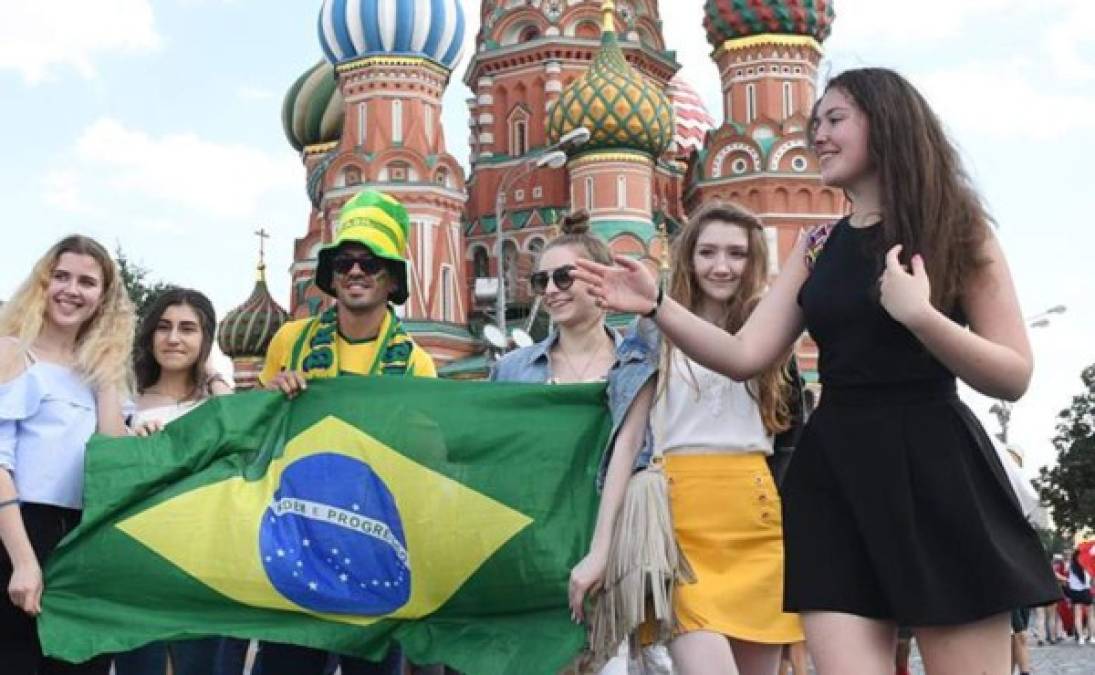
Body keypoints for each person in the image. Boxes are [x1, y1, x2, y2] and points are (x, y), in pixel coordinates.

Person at [573, 67, 1060, 674]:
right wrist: (656, 305)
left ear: (887, 125)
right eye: (814, 124)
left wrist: (923, 319)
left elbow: (1012, 374)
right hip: (836, 477)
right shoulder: (817, 245)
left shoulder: (958, 229)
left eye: (834, 120)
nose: (817, 137)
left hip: (936, 469)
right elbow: (745, 355)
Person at [574, 203, 803, 675]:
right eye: (708, 252)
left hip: (758, 519)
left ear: (755, 259)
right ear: (688, 258)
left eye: (737, 253)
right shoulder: (655, 327)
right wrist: (600, 551)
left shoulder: (769, 328)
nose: (722, 266)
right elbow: (627, 440)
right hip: (678, 525)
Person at [255, 189, 435, 675]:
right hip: (298, 540)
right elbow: (255, 429)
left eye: (370, 263)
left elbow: (424, 459)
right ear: (330, 276)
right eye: (344, 263)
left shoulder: (416, 362)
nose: (355, 272)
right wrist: (274, 396)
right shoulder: (291, 340)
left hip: (371, 548)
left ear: (391, 278)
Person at [490, 211, 664, 674]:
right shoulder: (514, 369)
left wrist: (645, 296)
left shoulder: (637, 358)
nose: (550, 289)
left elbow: (670, 321)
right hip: (537, 546)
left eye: (564, 276)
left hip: (619, 544)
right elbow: (489, 455)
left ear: (599, 280)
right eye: (541, 279)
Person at [0, 235, 133, 674]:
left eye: (87, 282)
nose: (71, 290)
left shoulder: (97, 372)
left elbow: (111, 453)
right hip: (17, 531)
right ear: (43, 281)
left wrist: (108, 361)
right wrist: (22, 561)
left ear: (103, 298)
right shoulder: (12, 351)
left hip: (80, 538)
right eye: (61, 276)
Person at [111, 287, 236, 675]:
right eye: (163, 327)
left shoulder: (218, 404)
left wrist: (215, 379)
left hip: (205, 567)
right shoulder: (126, 402)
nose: (174, 338)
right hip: (139, 568)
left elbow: (238, 442)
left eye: (188, 329)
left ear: (206, 339)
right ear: (150, 335)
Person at [1065, 548, 1092, 644]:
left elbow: (1068, 579)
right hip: (1086, 591)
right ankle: (1092, 636)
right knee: (1091, 616)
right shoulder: (1088, 565)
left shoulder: (1070, 566)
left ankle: (1081, 638)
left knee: (1077, 616)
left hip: (1075, 592)